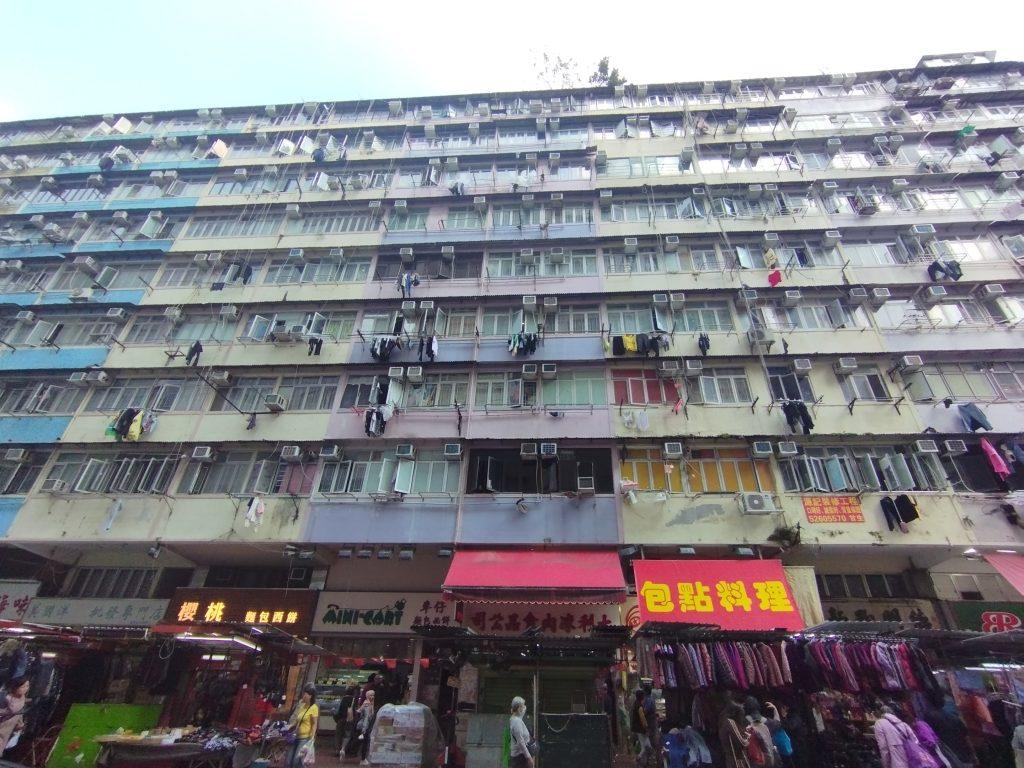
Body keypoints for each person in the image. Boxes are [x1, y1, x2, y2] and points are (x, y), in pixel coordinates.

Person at [288, 684, 319, 768]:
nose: (303, 696)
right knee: (289, 760)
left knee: (297, 760)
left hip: (305, 738)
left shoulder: (314, 708)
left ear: (310, 696)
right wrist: (291, 726)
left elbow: (314, 724)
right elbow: (298, 719)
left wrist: (312, 738)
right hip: (296, 736)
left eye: (305, 694)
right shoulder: (302, 705)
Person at [0, 677, 29, 755]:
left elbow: (19, 717)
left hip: (4, 733)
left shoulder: (22, 701)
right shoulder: (4, 698)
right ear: (15, 687)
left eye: (27, 686)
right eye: (23, 686)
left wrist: (20, 726)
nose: (25, 689)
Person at [719, 702, 752, 768]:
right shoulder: (730, 723)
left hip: (729, 758)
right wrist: (748, 737)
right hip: (736, 760)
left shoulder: (723, 721)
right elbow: (742, 743)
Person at [630, 687, 657, 765]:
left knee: (647, 746)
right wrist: (646, 728)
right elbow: (643, 720)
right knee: (646, 747)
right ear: (642, 696)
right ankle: (638, 759)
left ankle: (645, 761)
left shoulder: (635, 704)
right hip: (641, 729)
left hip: (638, 729)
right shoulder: (640, 707)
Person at [764, 703, 794, 768]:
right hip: (787, 750)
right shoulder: (777, 723)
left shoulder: (766, 724)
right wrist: (775, 708)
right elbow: (777, 717)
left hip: (778, 753)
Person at [354, 688, 377, 765]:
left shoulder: (370, 703)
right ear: (367, 696)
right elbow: (366, 717)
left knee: (362, 741)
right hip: (364, 727)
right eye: (371, 695)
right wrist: (364, 729)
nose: (372, 697)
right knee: (364, 742)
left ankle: (346, 749)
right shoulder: (367, 704)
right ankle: (363, 759)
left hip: (364, 726)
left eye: (373, 695)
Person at [333, 684, 358, 758]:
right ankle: (343, 749)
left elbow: (336, 710)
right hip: (349, 719)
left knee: (338, 734)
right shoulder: (354, 700)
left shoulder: (342, 699)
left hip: (341, 718)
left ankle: (337, 750)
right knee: (347, 734)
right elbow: (355, 711)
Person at [509, 696, 533, 768]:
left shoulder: (515, 718)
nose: (524, 708)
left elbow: (521, 714)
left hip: (520, 756)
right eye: (523, 706)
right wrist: (529, 758)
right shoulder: (517, 722)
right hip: (520, 758)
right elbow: (520, 742)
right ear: (519, 708)